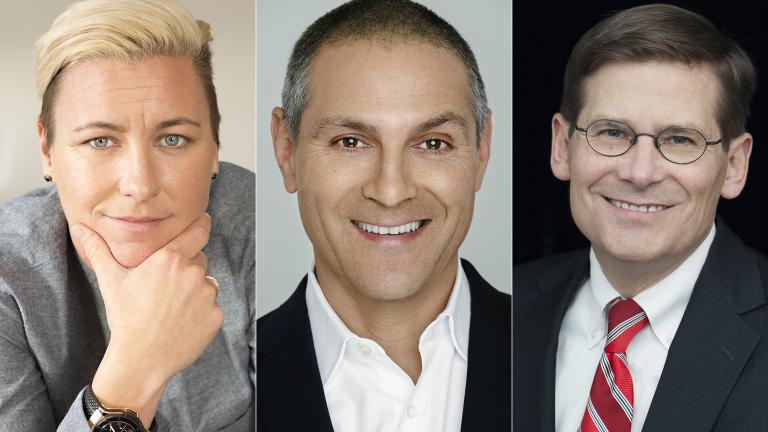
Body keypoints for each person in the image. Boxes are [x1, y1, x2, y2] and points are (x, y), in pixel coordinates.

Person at [0, 0, 254, 431]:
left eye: (173, 139)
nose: (140, 185)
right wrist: (137, 365)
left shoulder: (257, 224)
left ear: (215, 146)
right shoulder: (9, 275)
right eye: (100, 141)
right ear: (47, 150)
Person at [257, 0, 510, 431]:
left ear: (481, 151)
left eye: (433, 144)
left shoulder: (550, 348)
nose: (391, 192)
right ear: (287, 151)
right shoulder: (234, 380)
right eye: (350, 142)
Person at [514, 4, 765, 431]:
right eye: (612, 132)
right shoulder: (503, 311)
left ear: (735, 165)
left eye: (680, 139)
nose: (640, 172)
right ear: (562, 146)